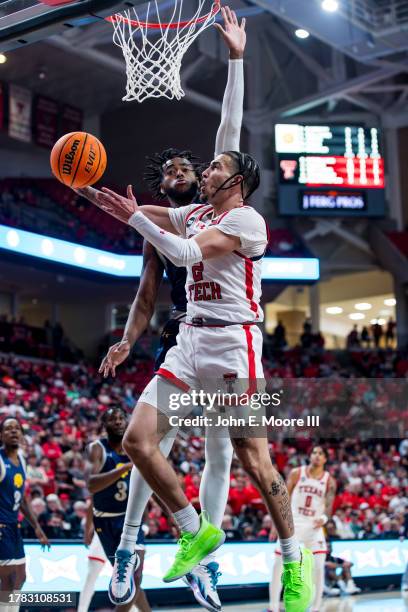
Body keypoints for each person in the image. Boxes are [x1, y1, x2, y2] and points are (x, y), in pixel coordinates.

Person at [85, 143, 314, 611]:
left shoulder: (247, 221)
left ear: (234, 182)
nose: (204, 172)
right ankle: (195, 528)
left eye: (213, 168)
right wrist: (100, 198)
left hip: (234, 347)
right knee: (137, 440)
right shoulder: (194, 213)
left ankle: (294, 561)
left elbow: (187, 253)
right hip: (189, 341)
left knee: (254, 460)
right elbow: (147, 213)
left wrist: (135, 218)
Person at [80, 8, 247, 611]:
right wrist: (127, 338)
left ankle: (204, 560)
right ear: (163, 183)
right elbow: (148, 292)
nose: (186, 170)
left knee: (222, 449)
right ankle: (129, 548)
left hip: (231, 335)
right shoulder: (161, 222)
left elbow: (230, 128)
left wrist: (235, 59)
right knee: (156, 448)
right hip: (186, 336)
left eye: (190, 165)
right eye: (173, 168)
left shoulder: (221, 202)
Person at [86, 407, 151, 612]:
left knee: (135, 575)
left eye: (121, 418)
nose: (118, 422)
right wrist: (123, 468)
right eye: (112, 419)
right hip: (105, 521)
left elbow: (146, 486)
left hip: (130, 519)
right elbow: (92, 485)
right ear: (104, 425)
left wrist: (155, 517)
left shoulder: (135, 448)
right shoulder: (97, 448)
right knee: (126, 579)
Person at [268, 446, 336, 612]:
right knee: (279, 565)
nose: (317, 456)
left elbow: (329, 505)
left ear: (325, 459)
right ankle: (273, 607)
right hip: (293, 524)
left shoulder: (329, 480)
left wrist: (324, 518)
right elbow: (283, 497)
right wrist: (275, 525)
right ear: (310, 456)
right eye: (314, 452)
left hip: (314, 527)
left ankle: (316, 608)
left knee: (318, 567)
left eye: (321, 454)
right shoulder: (297, 473)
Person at [0, 417, 49, 609]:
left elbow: (22, 499)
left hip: (14, 527)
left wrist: (37, 528)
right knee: (8, 581)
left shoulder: (21, 459)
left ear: (21, 434)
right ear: (1, 435)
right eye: (8, 428)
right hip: (2, 528)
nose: (13, 431)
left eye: (17, 428)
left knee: (20, 578)